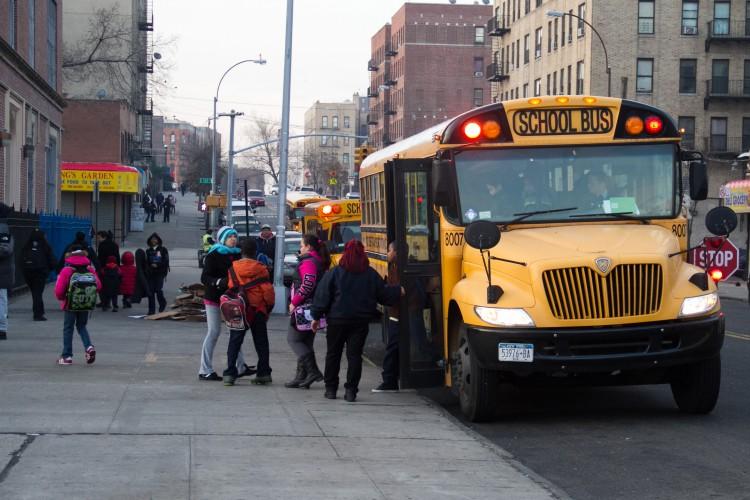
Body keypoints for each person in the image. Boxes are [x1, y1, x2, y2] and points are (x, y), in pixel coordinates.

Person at [311, 240, 401, 402]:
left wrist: (316, 317)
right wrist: (399, 290)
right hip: (360, 321)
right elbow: (384, 295)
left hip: (337, 320)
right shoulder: (369, 274)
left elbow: (323, 296)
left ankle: (331, 389)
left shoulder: (335, 273)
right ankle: (351, 391)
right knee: (354, 356)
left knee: (333, 354)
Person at [199, 226, 254, 381]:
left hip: (231, 300)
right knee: (214, 332)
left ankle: (240, 366)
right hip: (214, 299)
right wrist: (219, 282)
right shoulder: (213, 254)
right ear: (222, 238)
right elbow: (205, 278)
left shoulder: (237, 255)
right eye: (230, 236)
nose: (233, 239)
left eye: (235, 236)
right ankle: (205, 369)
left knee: (235, 332)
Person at [223, 238, 275, 386]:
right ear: (255, 252)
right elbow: (268, 291)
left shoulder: (232, 268)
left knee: (234, 341)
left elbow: (231, 287)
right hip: (257, 310)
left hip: (239, 309)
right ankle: (263, 373)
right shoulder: (261, 268)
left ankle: (230, 374)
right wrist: (268, 309)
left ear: (241, 251)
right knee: (261, 342)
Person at [285, 234, 330, 389]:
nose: (300, 247)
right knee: (305, 341)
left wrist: (294, 302)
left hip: (303, 309)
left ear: (309, 247)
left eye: (301, 244)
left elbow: (308, 284)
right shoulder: (317, 261)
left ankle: (313, 371)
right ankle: (301, 376)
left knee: (294, 339)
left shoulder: (309, 262)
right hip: (313, 308)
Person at [54, 246, 101, 365]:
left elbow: (59, 291)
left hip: (70, 304)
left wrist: (62, 299)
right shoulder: (90, 269)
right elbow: (98, 286)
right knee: (81, 326)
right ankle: (89, 347)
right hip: (85, 303)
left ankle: (67, 356)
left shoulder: (67, 270)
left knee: (68, 328)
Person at [21, 229, 57, 321]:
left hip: (28, 272)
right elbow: (52, 260)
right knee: (38, 293)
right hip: (40, 272)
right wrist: (50, 269)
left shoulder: (27, 246)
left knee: (34, 292)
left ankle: (38, 311)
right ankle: (38, 314)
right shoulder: (45, 246)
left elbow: (21, 259)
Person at [144, 233, 169, 315]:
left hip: (160, 273)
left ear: (158, 240)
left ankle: (162, 303)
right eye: (152, 239)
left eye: (155, 239)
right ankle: (151, 310)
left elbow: (166, 261)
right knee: (150, 292)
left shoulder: (163, 249)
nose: (154, 240)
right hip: (151, 273)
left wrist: (158, 264)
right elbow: (146, 262)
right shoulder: (148, 251)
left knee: (158, 290)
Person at [0, 203, 14, 341]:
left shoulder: (3, 229)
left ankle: (2, 329)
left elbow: (5, 249)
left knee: (2, 301)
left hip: (2, 273)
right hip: (4, 272)